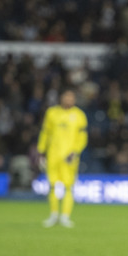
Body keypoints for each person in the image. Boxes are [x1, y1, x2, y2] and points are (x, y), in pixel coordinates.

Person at [37, 88, 88, 228]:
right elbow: (45, 133)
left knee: (68, 187)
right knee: (52, 186)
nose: (68, 99)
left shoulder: (79, 115)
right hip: (53, 155)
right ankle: (53, 215)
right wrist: (41, 150)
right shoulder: (51, 113)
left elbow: (82, 137)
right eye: (66, 97)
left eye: (71, 97)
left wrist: (75, 151)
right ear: (61, 98)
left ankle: (65, 216)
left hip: (70, 157)